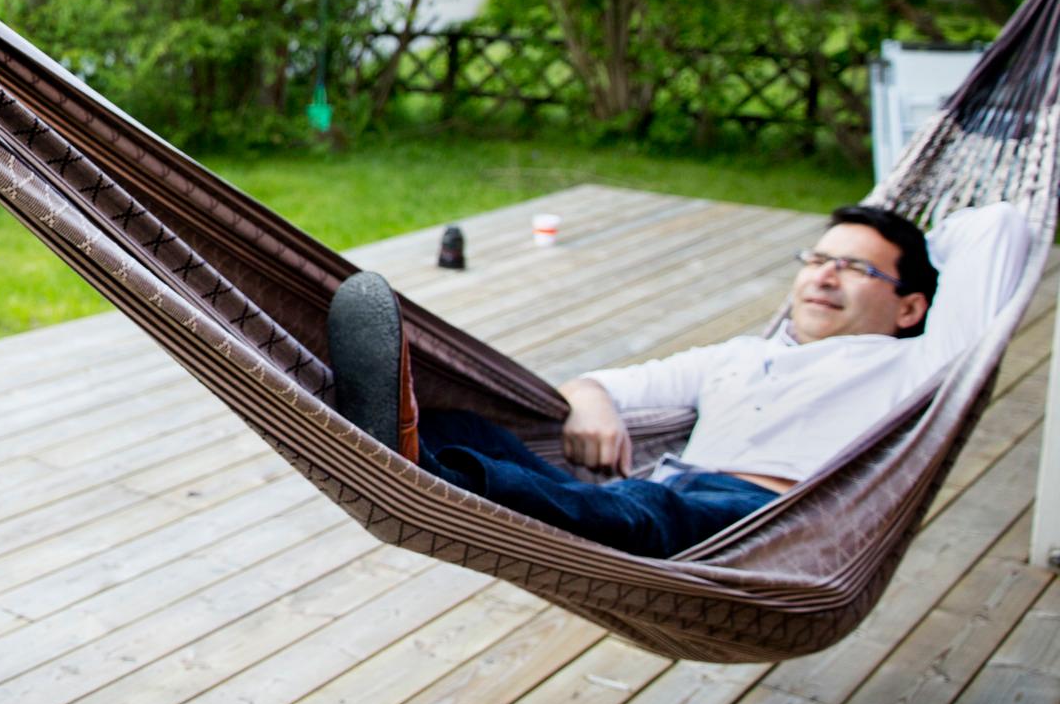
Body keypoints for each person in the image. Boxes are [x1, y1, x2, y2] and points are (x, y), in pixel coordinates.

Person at [330, 201, 1037, 558]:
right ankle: (421, 449)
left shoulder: (920, 361)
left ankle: (414, 466)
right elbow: (595, 384)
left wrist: (923, 238)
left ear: (911, 306)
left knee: (645, 511)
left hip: (770, 523)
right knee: (475, 427)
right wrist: (595, 401)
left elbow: (1004, 225)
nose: (823, 274)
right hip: (664, 492)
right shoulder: (736, 355)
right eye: (816, 257)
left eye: (855, 267)